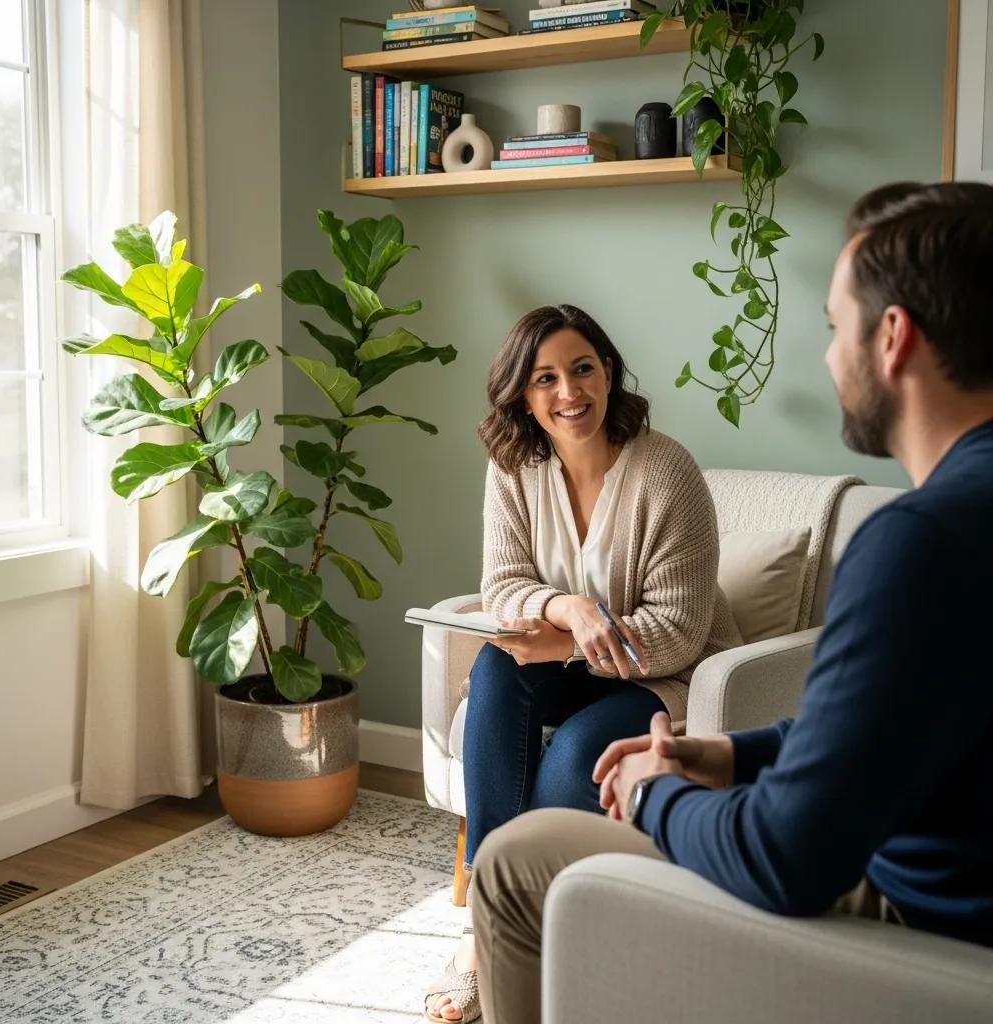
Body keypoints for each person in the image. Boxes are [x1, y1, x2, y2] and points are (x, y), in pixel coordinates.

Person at [468, 181, 993, 1024]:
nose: (830, 357)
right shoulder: (954, 527)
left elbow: (789, 855)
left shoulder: (915, 542)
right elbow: (885, 729)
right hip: (939, 869)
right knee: (497, 674)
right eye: (545, 379)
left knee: (519, 860)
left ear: (892, 337)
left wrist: (652, 794)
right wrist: (733, 755)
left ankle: (538, 925)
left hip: (918, 917)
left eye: (834, 327)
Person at [423, 304, 742, 1022]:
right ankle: (484, 929)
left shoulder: (667, 472)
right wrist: (567, 608)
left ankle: (522, 927)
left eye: (582, 369)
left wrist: (567, 643)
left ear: (608, 373)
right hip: (561, 664)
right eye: (545, 378)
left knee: (573, 758)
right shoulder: (514, 467)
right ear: (522, 394)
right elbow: (503, 587)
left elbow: (679, 632)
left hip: (663, 677)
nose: (568, 392)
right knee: (494, 670)